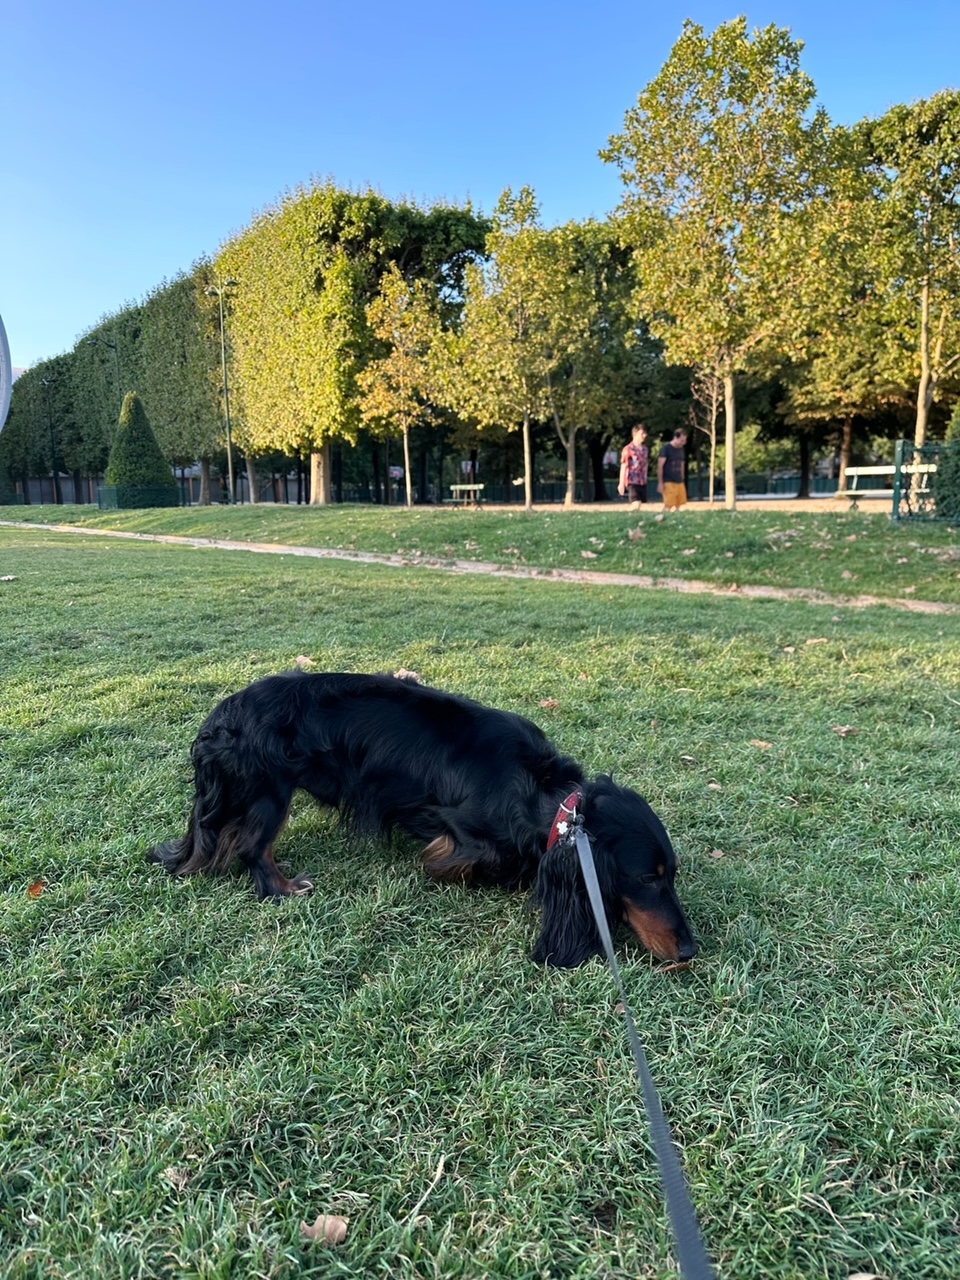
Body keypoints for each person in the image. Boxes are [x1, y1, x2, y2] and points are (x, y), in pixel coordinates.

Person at [617, 423, 650, 508]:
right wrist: (621, 483)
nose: (644, 435)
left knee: (643, 505)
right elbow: (624, 466)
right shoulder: (628, 449)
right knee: (636, 504)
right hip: (632, 481)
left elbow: (645, 465)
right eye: (642, 433)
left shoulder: (645, 449)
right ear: (635, 434)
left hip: (642, 481)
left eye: (645, 433)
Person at [657, 427, 689, 511]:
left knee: (680, 505)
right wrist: (660, 482)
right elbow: (660, 466)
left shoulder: (681, 449)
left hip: (679, 481)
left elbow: (682, 463)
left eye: (684, 440)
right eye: (681, 440)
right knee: (669, 504)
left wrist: (682, 478)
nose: (683, 443)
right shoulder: (666, 449)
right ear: (675, 437)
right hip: (668, 480)